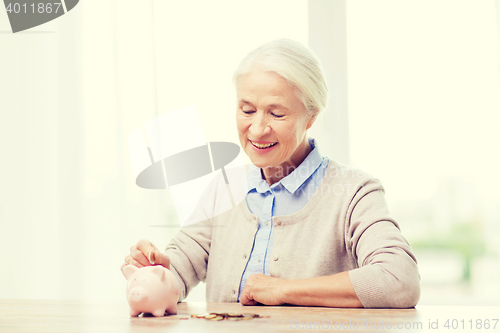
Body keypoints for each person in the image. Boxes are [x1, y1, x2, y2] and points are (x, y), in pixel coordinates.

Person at [121, 38, 420, 308]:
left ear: (312, 115)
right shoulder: (224, 189)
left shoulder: (354, 192)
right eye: (247, 110)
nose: (258, 129)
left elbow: (399, 279)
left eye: (277, 114)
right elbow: (178, 271)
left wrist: (285, 290)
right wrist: (155, 270)